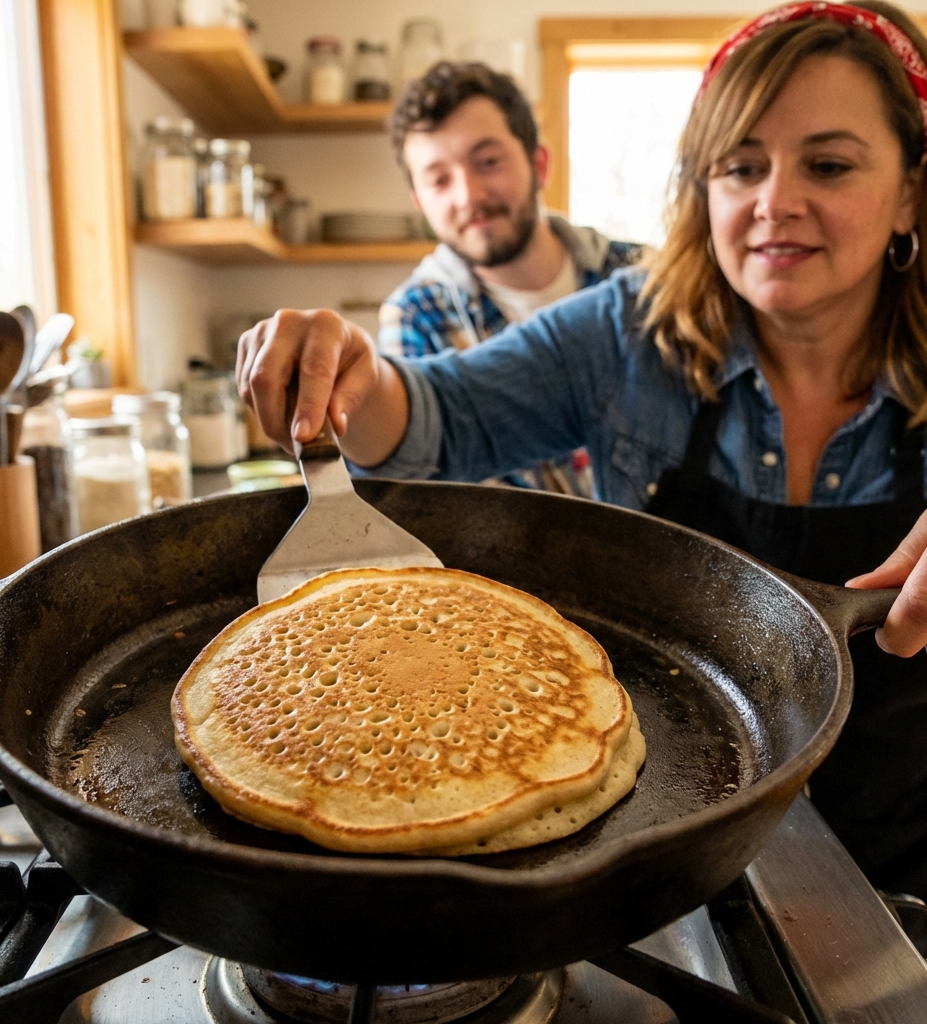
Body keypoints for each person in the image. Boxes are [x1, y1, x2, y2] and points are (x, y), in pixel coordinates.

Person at [239, 1, 927, 896]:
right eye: (740, 166)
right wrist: (356, 380)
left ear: (912, 185)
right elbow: (434, 417)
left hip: (904, 849)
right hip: (659, 839)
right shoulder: (625, 333)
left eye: (828, 164)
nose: (773, 203)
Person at [379, 61, 643, 493]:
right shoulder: (415, 314)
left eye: (487, 162)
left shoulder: (635, 277)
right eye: (439, 180)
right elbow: (420, 492)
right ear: (419, 204)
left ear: (539, 165)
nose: (468, 196)